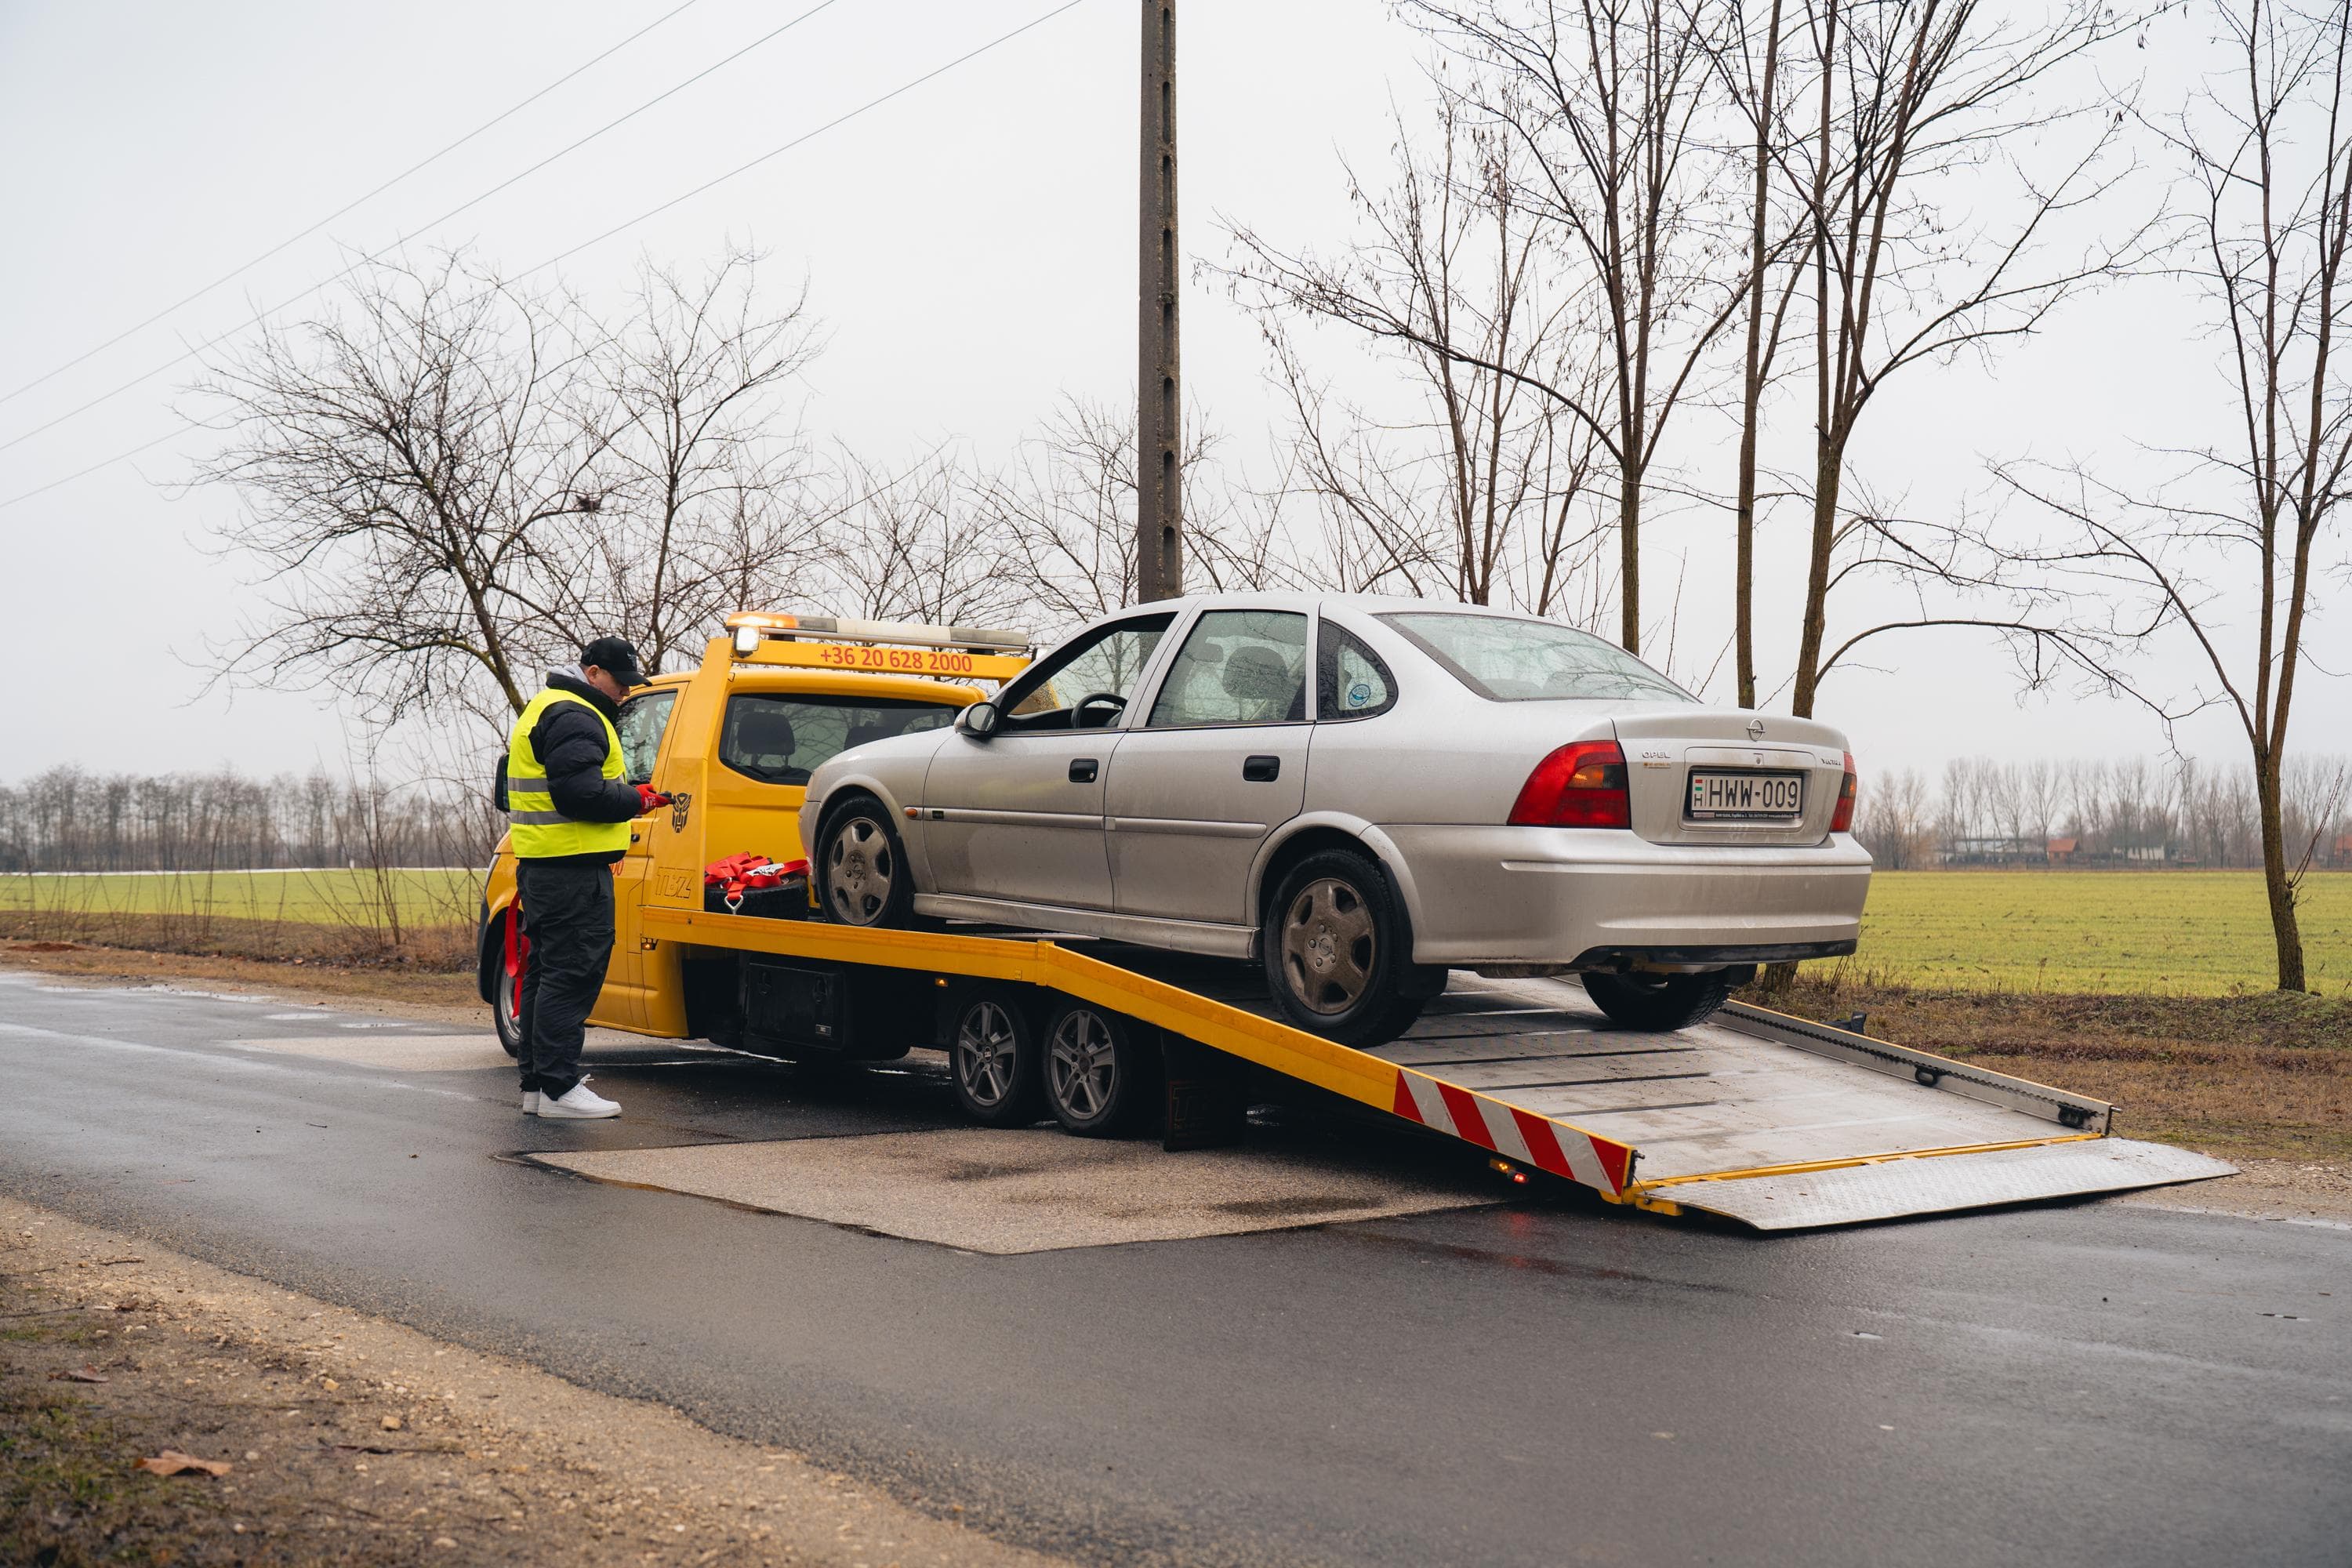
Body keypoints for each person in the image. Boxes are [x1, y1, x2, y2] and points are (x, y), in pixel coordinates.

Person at [503, 636, 668, 1120]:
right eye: (620, 683)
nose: (624, 693)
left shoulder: (547, 707)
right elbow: (580, 794)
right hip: (573, 870)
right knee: (572, 974)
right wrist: (636, 800)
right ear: (592, 672)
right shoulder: (577, 715)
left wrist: (626, 793)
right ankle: (560, 1088)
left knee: (545, 974)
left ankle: (538, 1085)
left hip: (546, 866)